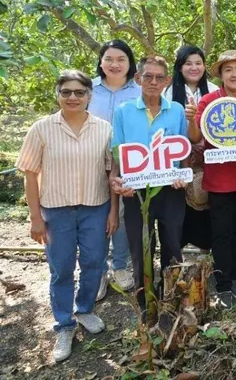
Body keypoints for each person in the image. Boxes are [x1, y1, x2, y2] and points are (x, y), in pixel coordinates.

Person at [16, 70, 117, 362]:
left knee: (93, 262)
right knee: (61, 268)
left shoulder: (104, 129)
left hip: (95, 208)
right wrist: (35, 217)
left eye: (79, 92)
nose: (73, 97)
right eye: (66, 92)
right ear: (58, 94)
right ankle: (64, 323)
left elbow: (112, 174)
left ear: (89, 96)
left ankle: (84, 310)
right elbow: (30, 175)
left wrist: (113, 211)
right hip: (55, 211)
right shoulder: (42, 129)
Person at [109, 56, 189, 312]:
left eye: (159, 77)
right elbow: (117, 153)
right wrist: (116, 180)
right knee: (140, 247)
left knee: (173, 245)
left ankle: (172, 300)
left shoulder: (176, 109)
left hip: (170, 190)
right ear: (137, 79)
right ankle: (146, 304)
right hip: (136, 192)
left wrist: (184, 177)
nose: (153, 82)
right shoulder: (123, 111)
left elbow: (184, 150)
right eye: (148, 76)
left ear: (167, 81)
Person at [187, 50, 236, 309]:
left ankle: (234, 277)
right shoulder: (209, 100)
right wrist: (190, 120)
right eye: (228, 69)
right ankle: (222, 284)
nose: (234, 74)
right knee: (220, 232)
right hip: (218, 178)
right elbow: (196, 138)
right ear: (220, 74)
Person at [88, 39, 140, 299]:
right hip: (89, 162)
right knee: (95, 215)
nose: (115, 64)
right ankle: (96, 271)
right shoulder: (88, 89)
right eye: (109, 59)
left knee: (121, 214)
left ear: (130, 64)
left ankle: (119, 266)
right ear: (101, 62)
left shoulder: (139, 91)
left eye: (121, 59)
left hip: (126, 163)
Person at [165, 46, 219, 251]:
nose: (194, 68)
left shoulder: (214, 91)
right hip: (178, 159)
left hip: (208, 158)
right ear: (179, 67)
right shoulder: (168, 93)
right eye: (188, 63)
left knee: (205, 202)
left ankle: (207, 248)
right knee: (179, 203)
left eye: (198, 63)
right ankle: (177, 251)